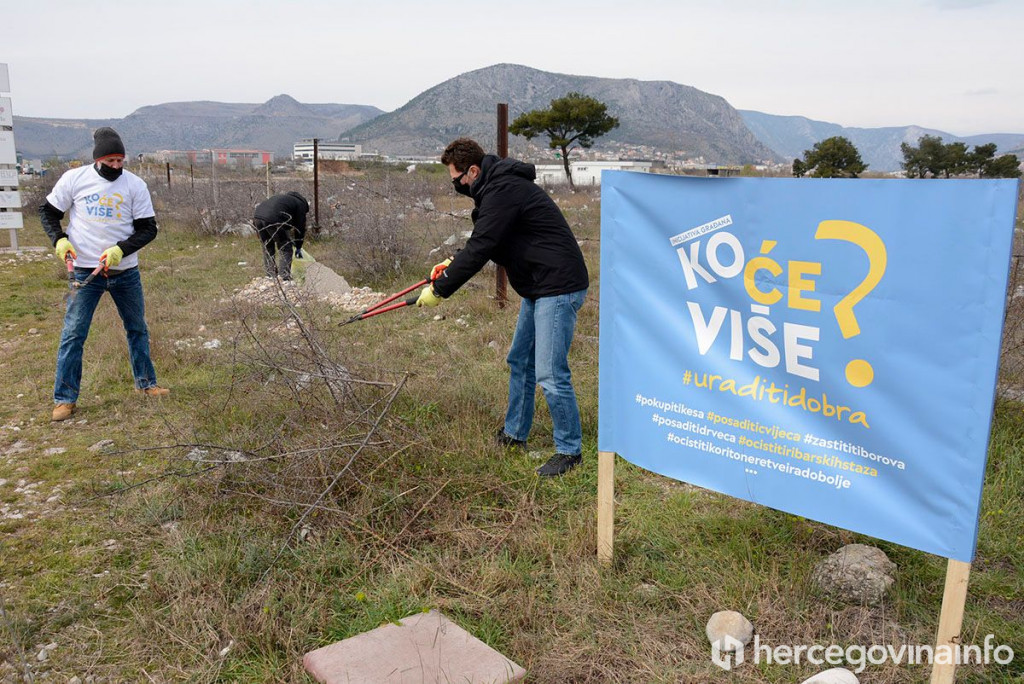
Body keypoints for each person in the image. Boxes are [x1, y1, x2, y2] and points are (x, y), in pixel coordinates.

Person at [417, 138, 590, 477]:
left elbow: (482, 245)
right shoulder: (495, 189)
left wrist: (440, 289)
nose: (455, 186)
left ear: (473, 170)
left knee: (550, 372)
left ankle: (570, 451)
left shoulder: (503, 189)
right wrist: (450, 264)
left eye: (456, 179)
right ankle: (514, 434)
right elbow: (489, 239)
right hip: (539, 286)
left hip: (558, 285)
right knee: (520, 361)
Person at [40, 127, 169, 422]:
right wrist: (59, 240)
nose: (116, 166)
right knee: (74, 333)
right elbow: (48, 212)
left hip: (124, 272)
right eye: (110, 161)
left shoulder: (134, 185)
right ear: (98, 159)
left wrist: (121, 250)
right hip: (86, 271)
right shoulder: (75, 179)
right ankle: (65, 398)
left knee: (137, 328)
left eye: (120, 161)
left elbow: (149, 228)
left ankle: (146, 384)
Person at [252, 191, 309, 280]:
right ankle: (284, 277)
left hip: (257, 217)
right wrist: (298, 248)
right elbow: (299, 229)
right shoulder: (300, 205)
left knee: (268, 247)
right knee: (286, 248)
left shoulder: (285, 199)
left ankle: (270, 276)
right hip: (273, 218)